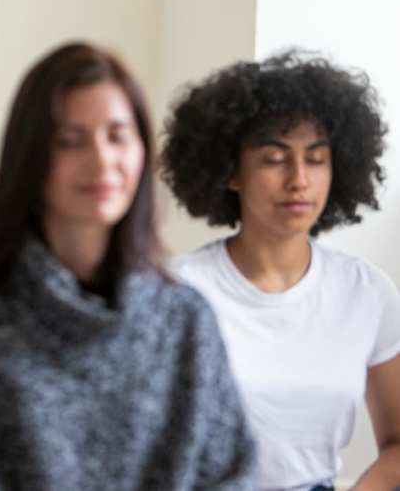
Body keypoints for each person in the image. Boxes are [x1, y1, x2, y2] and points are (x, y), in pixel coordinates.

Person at [0, 43, 256, 491]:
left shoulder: (184, 319)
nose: (101, 160)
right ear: (30, 156)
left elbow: (228, 474)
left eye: (118, 135)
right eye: (70, 140)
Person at [163, 51, 400, 491]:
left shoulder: (367, 293)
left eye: (315, 158)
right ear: (231, 172)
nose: (299, 180)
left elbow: (397, 444)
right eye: (274, 159)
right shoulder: (178, 292)